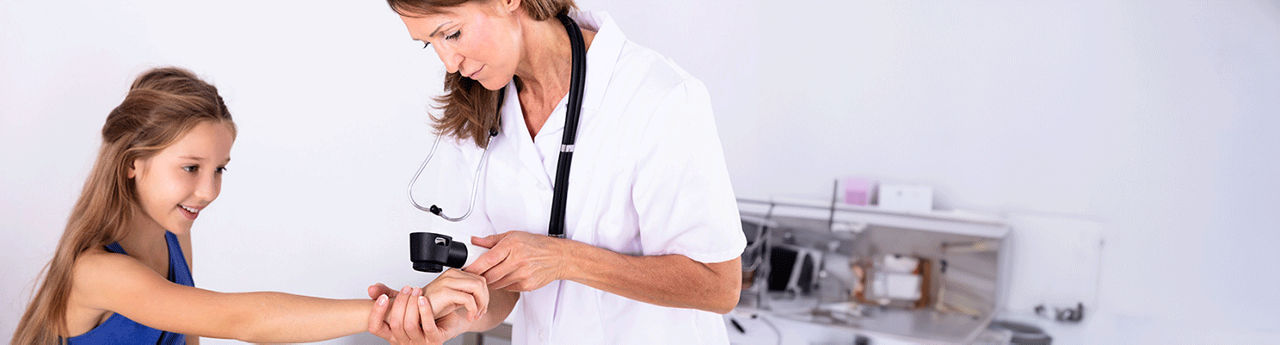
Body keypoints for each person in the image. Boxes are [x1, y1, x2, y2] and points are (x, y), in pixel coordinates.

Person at [10, 67, 487, 344]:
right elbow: (239, 319)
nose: (209, 191)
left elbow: (193, 332)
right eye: (191, 168)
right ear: (133, 163)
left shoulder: (174, 237)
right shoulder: (98, 271)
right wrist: (388, 311)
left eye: (219, 169)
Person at [368, 0, 747, 343]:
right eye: (429, 44)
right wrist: (458, 313)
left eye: (452, 33)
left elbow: (719, 287)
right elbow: (506, 287)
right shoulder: (480, 109)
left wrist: (566, 259)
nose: (449, 63)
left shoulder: (658, 97)